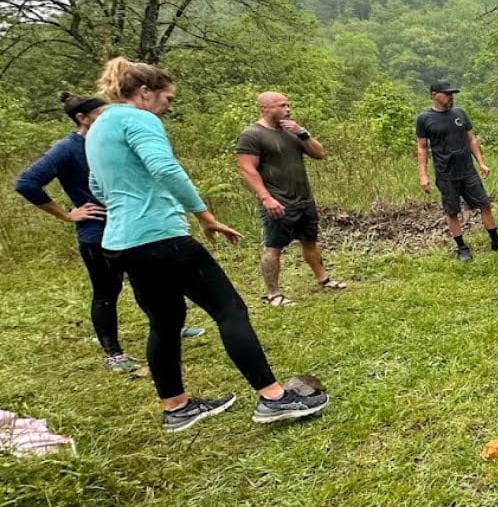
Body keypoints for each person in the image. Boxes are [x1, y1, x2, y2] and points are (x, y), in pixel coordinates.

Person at [85, 57, 330, 433]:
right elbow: (164, 168)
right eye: (167, 99)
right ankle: (274, 398)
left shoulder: (98, 127)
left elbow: (98, 188)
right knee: (230, 310)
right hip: (159, 235)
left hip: (121, 242)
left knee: (165, 322)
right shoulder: (139, 119)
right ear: (145, 92)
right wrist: (204, 214)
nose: (167, 108)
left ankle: (176, 407)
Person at [13, 92, 203, 372]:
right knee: (106, 291)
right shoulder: (67, 147)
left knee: (149, 282)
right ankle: (113, 353)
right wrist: (68, 214)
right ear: (82, 118)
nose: (109, 116)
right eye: (101, 113)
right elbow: (27, 182)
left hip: (133, 226)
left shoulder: (109, 139)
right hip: (97, 231)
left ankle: (168, 327)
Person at [236, 91, 346, 306]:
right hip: (278, 201)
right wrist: (266, 198)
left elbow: (319, 154)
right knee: (274, 246)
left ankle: (323, 279)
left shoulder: (293, 131)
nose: (288, 109)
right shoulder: (252, 134)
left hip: (304, 199)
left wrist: (303, 133)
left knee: (310, 241)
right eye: (281, 105)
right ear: (264, 108)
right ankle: (273, 294)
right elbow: (247, 169)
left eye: (288, 105)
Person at [415, 80, 498, 261]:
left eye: (452, 93)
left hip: (468, 171)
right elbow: (422, 147)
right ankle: (461, 248)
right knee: (452, 212)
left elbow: (471, 139)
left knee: (485, 205)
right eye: (446, 93)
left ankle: (496, 241)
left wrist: (481, 163)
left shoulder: (460, 113)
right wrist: (423, 175)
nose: (450, 97)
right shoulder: (424, 119)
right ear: (434, 95)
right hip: (446, 174)